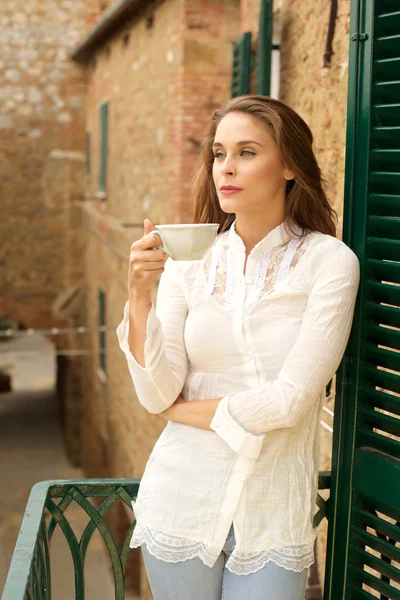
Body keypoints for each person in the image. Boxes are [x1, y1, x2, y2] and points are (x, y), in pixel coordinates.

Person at [116, 94, 360, 600]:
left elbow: (289, 402)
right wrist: (140, 297)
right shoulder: (187, 264)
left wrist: (180, 410)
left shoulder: (329, 263)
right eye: (219, 153)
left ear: (289, 164)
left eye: (247, 152)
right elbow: (155, 390)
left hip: (272, 514)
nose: (226, 168)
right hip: (180, 501)